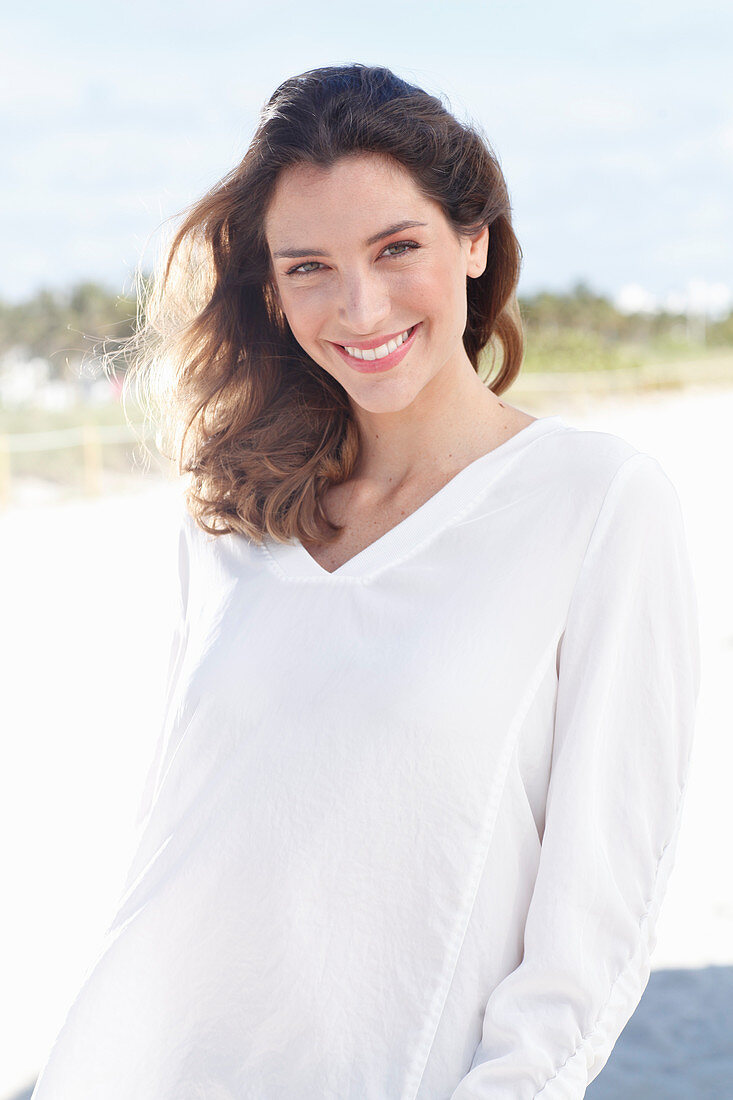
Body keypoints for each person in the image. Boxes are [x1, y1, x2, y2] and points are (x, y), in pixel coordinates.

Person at [31, 63, 700, 1099]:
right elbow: (170, 848)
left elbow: (596, 920)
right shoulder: (230, 522)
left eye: (397, 249)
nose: (360, 304)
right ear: (270, 287)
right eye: (309, 266)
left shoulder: (595, 502)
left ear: (472, 239)